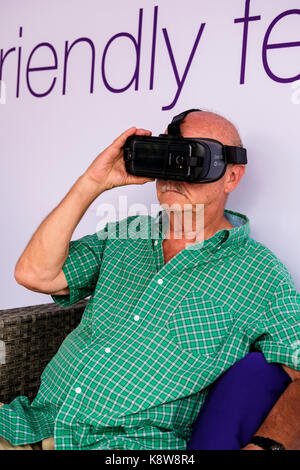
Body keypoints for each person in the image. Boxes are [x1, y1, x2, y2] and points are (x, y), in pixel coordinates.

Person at [1, 110, 299, 450]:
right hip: (29, 425)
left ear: (232, 177)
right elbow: (34, 274)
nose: (172, 175)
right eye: (166, 157)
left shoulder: (259, 274)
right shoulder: (127, 233)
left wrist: (266, 446)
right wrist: (92, 183)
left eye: (190, 159)